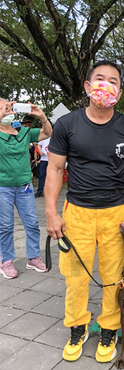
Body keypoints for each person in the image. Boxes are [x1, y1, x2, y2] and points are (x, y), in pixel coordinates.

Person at [45, 61, 124, 363]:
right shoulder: (67, 124)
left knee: (112, 276)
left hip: (115, 213)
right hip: (76, 211)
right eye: (100, 79)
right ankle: (77, 325)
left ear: (119, 90)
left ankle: (108, 328)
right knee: (75, 276)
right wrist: (52, 214)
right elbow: (54, 168)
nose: (106, 85)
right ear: (88, 86)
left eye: (113, 81)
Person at [0, 99, 51, 278]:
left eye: (9, 106)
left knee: (32, 223)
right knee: (5, 226)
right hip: (3, 187)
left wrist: (41, 116)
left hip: (25, 186)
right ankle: (6, 261)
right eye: (2, 107)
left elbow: (47, 133)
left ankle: (33, 257)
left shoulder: (24, 132)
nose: (7, 109)